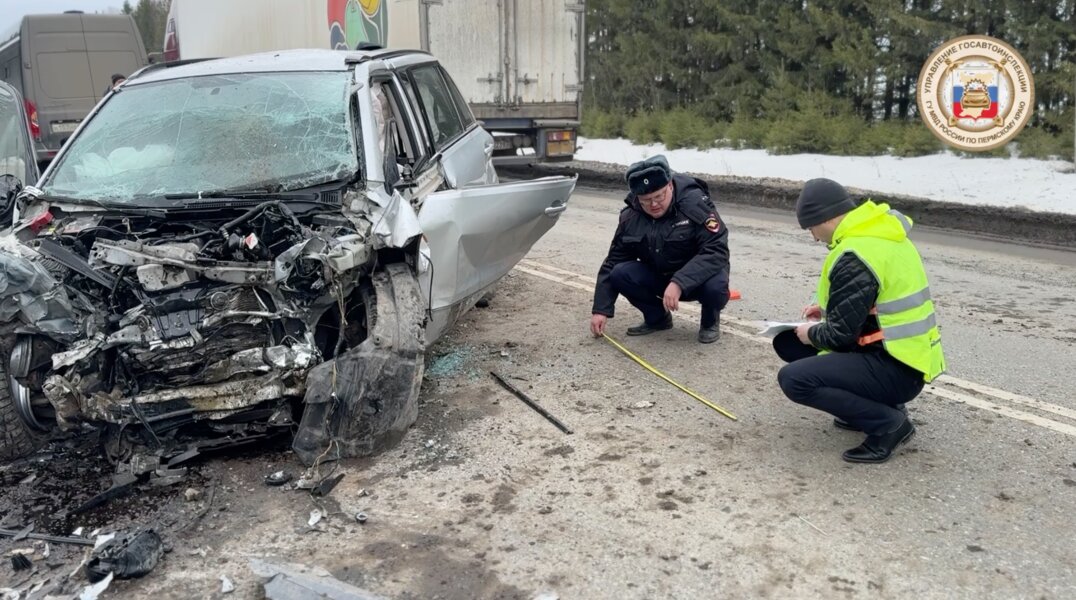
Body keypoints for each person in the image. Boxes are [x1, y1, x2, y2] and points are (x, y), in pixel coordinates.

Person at [774, 178, 946, 464]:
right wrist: (827, 310)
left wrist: (811, 333)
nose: (814, 238)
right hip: (907, 358)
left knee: (794, 379)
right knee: (788, 344)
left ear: (826, 218)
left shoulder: (855, 254)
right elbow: (878, 302)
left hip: (897, 369)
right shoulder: (881, 236)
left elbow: (839, 337)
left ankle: (888, 424)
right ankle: (878, 406)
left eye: (811, 228)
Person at [589, 155, 730, 344]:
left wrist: (680, 282)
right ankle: (657, 318)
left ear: (670, 185)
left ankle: (709, 322)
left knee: (716, 284)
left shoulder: (695, 204)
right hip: (661, 276)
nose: (654, 204)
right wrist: (601, 310)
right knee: (619, 273)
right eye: (646, 200)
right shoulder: (630, 217)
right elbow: (614, 260)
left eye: (659, 196)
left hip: (698, 280)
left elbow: (717, 250)